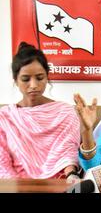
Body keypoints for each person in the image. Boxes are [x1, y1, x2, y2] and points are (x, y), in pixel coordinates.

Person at [0, 42, 80, 179]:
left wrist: (71, 177)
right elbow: (3, 163)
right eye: (25, 79)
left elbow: (68, 155)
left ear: (47, 77)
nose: (33, 85)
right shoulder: (6, 117)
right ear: (16, 80)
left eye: (39, 78)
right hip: (17, 186)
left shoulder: (65, 112)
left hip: (58, 184)